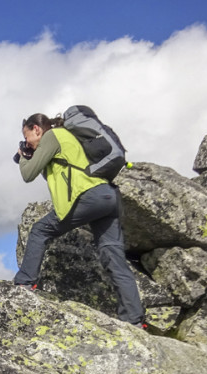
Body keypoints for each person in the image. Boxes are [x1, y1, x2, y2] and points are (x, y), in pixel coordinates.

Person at [13, 113, 145, 326]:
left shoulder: (52, 136)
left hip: (87, 197)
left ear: (36, 129)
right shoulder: (68, 137)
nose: (27, 142)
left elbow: (28, 174)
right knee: (113, 257)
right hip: (108, 196)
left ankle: (24, 283)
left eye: (27, 136)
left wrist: (22, 156)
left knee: (40, 230)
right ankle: (134, 319)